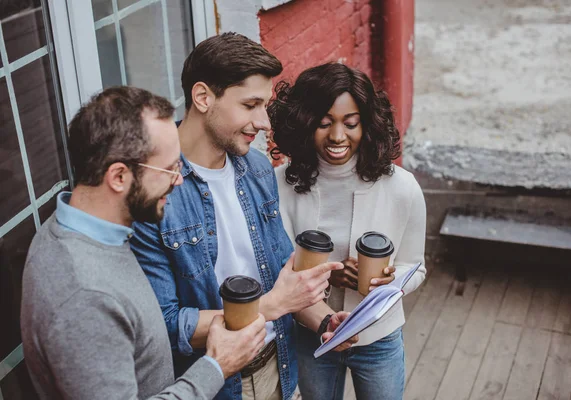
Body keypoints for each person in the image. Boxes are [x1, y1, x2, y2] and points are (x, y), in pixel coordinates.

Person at [131, 33, 356, 400]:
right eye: (250, 104)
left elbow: (281, 278)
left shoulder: (257, 167)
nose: (265, 122)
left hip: (280, 368)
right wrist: (271, 306)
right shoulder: (155, 189)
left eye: (264, 105)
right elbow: (164, 325)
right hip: (214, 384)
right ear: (203, 98)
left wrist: (325, 320)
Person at [21, 86, 268, 400]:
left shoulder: (83, 227)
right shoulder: (84, 297)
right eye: (168, 169)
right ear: (119, 177)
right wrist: (217, 365)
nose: (178, 180)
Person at [269, 62, 427, 400]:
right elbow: (277, 264)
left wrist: (390, 281)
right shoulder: (281, 185)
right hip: (311, 335)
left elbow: (416, 267)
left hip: (379, 338)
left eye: (351, 124)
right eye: (323, 124)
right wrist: (332, 276)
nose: (338, 136)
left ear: (367, 125)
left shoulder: (401, 188)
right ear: (303, 123)